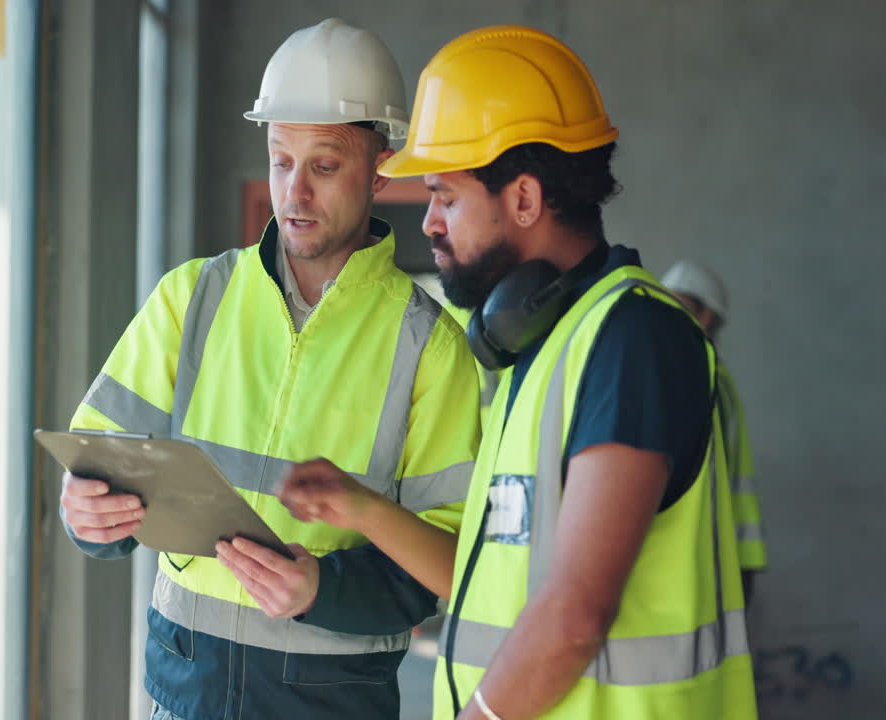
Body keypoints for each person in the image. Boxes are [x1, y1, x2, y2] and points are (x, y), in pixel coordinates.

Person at [278, 25, 758, 719]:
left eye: (446, 196)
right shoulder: (543, 350)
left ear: (525, 200)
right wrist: (361, 509)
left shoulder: (632, 340)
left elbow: (574, 614)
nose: (432, 223)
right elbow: (487, 582)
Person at [57, 18, 481, 720]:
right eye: (282, 161)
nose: (295, 193)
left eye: (324, 165)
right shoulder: (191, 299)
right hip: (182, 695)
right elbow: (99, 464)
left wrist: (321, 588)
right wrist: (88, 517)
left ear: (380, 171)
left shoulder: (431, 347)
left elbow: (445, 561)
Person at [661, 260, 767, 599]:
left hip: (701, 563)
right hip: (712, 560)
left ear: (706, 317)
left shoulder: (697, 381)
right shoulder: (717, 381)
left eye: (676, 306)